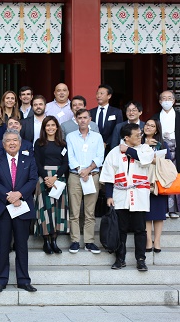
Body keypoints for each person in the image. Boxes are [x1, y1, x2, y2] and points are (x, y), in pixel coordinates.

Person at [100, 123, 154, 271]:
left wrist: (128, 149)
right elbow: (108, 176)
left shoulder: (145, 148)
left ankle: (141, 259)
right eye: (137, 135)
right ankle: (120, 258)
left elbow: (145, 160)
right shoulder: (114, 153)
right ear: (127, 137)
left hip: (139, 195)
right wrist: (109, 196)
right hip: (120, 194)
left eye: (140, 134)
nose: (140, 137)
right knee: (121, 229)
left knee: (140, 229)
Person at [0, 129, 38, 292]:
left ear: (20, 143)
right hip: (4, 208)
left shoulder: (29, 160)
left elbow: (32, 180)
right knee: (3, 246)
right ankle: (1, 280)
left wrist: (19, 194)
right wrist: (9, 196)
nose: (11, 143)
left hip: (22, 208)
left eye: (14, 140)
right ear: (3, 145)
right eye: (8, 141)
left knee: (21, 245)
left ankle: (23, 280)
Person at [66, 108, 104, 254]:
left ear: (90, 119)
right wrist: (81, 171)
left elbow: (100, 156)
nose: (82, 120)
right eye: (79, 117)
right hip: (75, 176)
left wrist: (88, 170)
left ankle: (89, 241)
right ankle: (75, 240)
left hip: (92, 175)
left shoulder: (97, 137)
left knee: (90, 211)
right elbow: (70, 156)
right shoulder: (70, 136)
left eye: (85, 117)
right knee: (74, 211)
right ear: (76, 119)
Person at [34, 116, 69, 254]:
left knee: (57, 209)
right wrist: (46, 178)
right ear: (44, 128)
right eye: (47, 125)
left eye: (53, 125)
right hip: (43, 178)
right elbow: (36, 162)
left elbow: (66, 163)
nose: (50, 128)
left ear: (57, 127)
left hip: (58, 178)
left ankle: (54, 240)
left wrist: (55, 177)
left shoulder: (62, 143)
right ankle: (46, 241)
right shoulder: (39, 143)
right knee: (45, 209)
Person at [142, 119, 170, 253]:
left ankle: (157, 241)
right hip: (142, 181)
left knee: (158, 213)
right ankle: (148, 240)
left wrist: (154, 159)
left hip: (159, 181)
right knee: (146, 213)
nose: (148, 127)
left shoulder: (162, 144)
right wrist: (145, 145)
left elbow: (168, 162)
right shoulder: (139, 142)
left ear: (157, 130)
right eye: (147, 125)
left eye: (152, 126)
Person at [151, 90, 180, 218]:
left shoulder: (178, 116)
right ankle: (164, 209)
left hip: (176, 149)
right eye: (164, 98)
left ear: (174, 101)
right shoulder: (155, 117)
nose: (166, 101)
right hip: (161, 149)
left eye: (169, 98)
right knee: (162, 177)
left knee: (174, 177)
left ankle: (174, 210)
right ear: (160, 101)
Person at [90, 84, 123, 151]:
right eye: (97, 93)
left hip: (110, 148)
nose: (98, 96)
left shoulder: (116, 112)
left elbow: (118, 129)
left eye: (101, 93)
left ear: (109, 96)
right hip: (93, 147)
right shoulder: (91, 112)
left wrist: (107, 142)